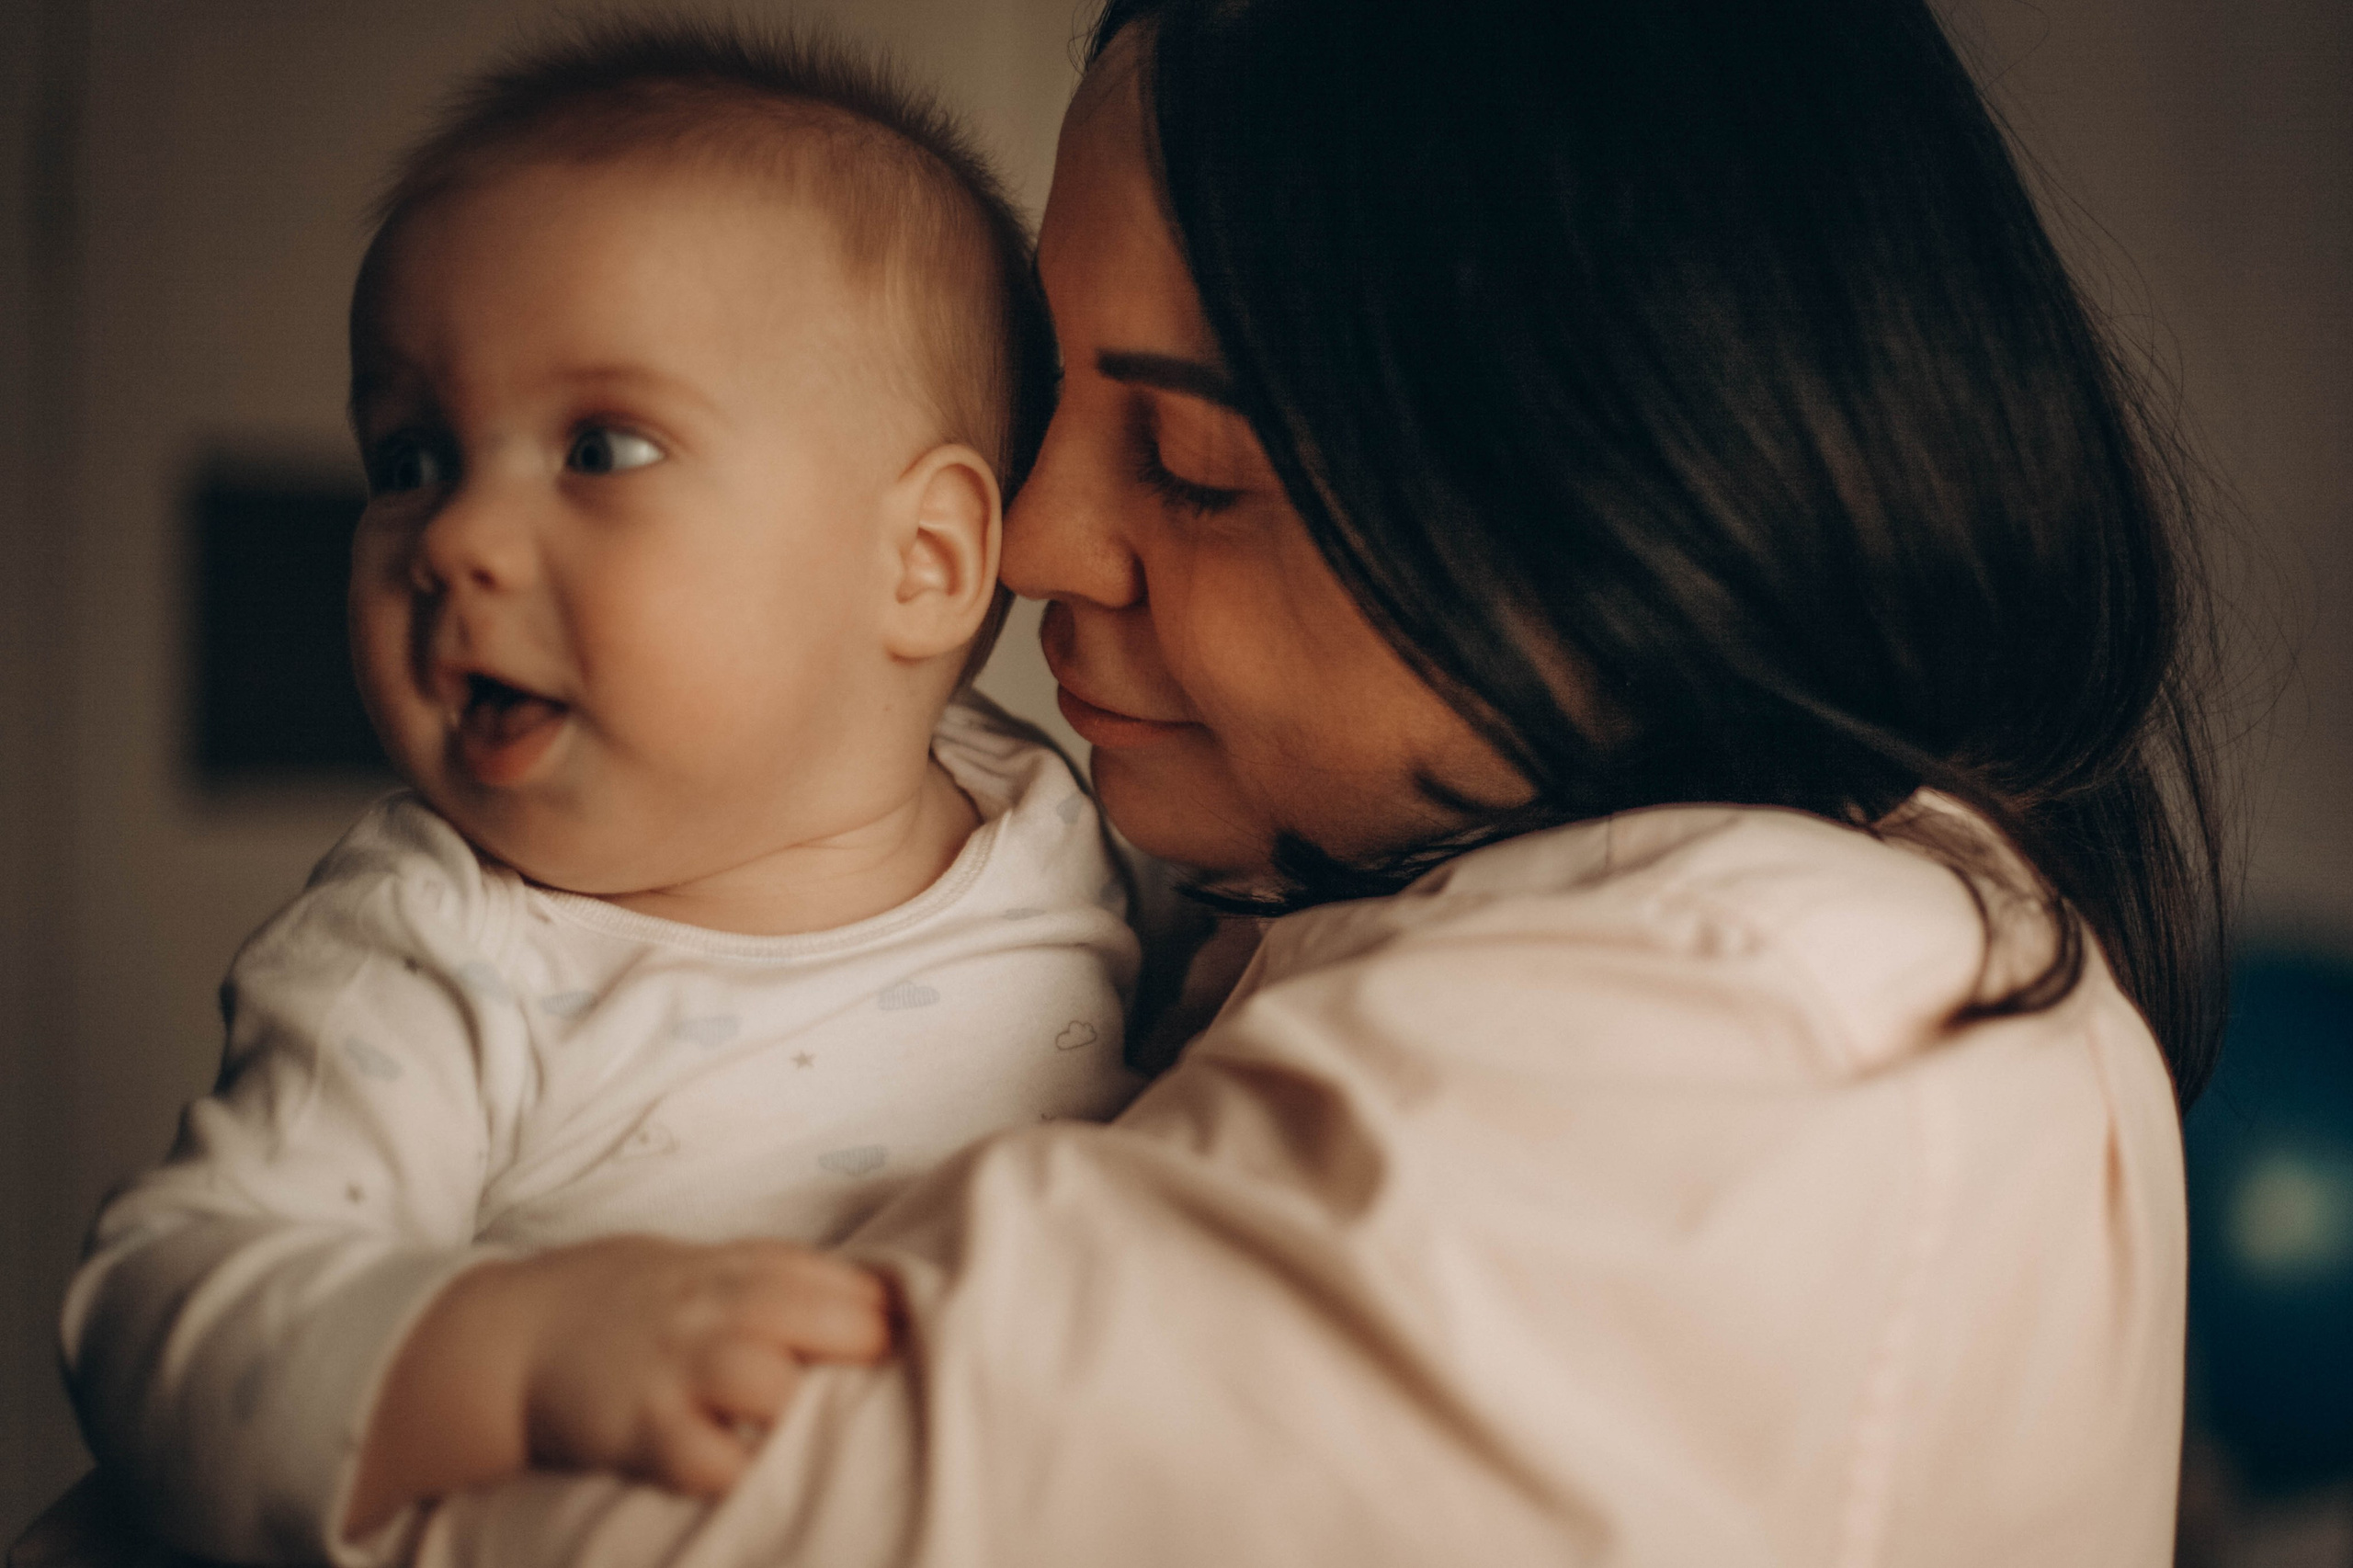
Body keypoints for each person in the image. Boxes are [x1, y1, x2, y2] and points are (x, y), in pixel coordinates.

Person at [379, 0, 2230, 1563]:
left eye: (1192, 464)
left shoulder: (1757, 1015)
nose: (1033, 541)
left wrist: (332, 1381)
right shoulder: (1267, 913)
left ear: (1633, 482)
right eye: (1046, 418)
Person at [54, 21, 1143, 1566]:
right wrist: (519, 1353)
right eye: (410, 457)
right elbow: (160, 1305)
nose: (453, 538)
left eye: (600, 447)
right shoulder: (440, 942)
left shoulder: (1066, 837)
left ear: (923, 560)